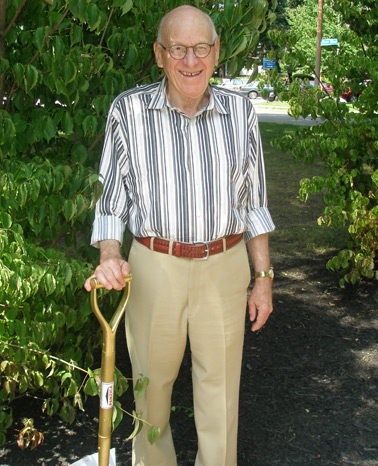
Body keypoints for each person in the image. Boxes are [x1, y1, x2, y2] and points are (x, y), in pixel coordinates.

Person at [84, 5, 275, 465]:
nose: (191, 61)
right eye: (179, 49)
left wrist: (263, 276)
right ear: (159, 54)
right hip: (154, 266)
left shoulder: (241, 112)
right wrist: (111, 255)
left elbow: (254, 204)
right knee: (150, 394)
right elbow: (112, 202)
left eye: (201, 48)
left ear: (216, 52)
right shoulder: (128, 111)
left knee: (221, 396)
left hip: (225, 266)